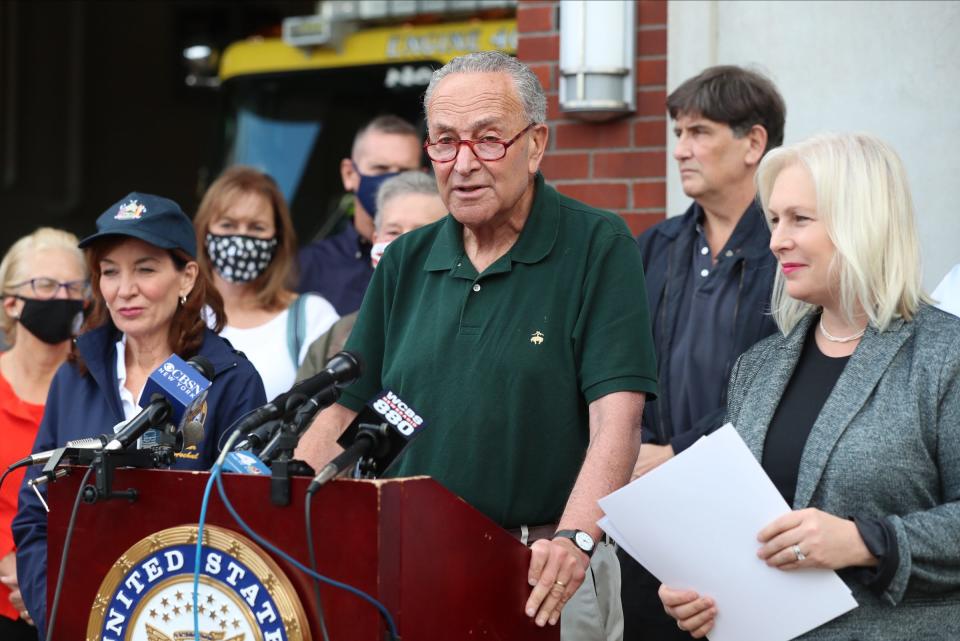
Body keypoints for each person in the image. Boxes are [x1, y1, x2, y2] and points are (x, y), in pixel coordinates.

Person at [295, 51, 657, 640]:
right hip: (411, 568)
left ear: (536, 144)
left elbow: (618, 421)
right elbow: (341, 408)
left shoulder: (597, 244)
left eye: (488, 140)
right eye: (444, 142)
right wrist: (280, 506)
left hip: (543, 571)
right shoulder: (407, 260)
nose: (463, 164)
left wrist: (575, 540)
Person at [659, 133, 960, 639]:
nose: (776, 239)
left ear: (862, 223)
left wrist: (867, 541)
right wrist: (699, 587)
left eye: (799, 219)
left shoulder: (944, 356)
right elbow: (739, 519)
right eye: (774, 220)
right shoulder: (757, 368)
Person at [12, 193, 267, 637]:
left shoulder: (231, 379)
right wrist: (59, 613)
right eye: (109, 272)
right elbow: (36, 515)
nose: (123, 289)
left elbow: (249, 528)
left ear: (186, 276)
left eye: (145, 269)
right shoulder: (75, 374)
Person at [622, 65, 785, 640]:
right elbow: (621, 365)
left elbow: (789, 382)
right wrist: (641, 449)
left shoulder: (790, 251)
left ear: (754, 142)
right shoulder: (654, 247)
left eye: (699, 132)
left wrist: (683, 451)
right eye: (676, 134)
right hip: (656, 508)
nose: (681, 150)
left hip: (758, 506)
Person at [0, 229, 87, 640]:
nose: (63, 298)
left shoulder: (97, 392)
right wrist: (12, 566)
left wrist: (44, 577)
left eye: (74, 287)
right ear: (11, 302)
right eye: (46, 286)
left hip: (76, 600)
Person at [194, 166, 339, 399]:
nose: (240, 238)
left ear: (278, 239)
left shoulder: (311, 317)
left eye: (256, 227)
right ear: (204, 232)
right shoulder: (180, 314)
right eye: (227, 225)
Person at [297, 170, 447, 377]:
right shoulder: (337, 335)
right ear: (375, 238)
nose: (401, 245)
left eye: (419, 234)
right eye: (393, 232)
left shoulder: (465, 333)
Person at [296, 115, 423, 315]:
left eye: (405, 172)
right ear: (349, 174)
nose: (392, 181)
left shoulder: (439, 260)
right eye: (380, 169)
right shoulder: (306, 268)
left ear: (421, 179)